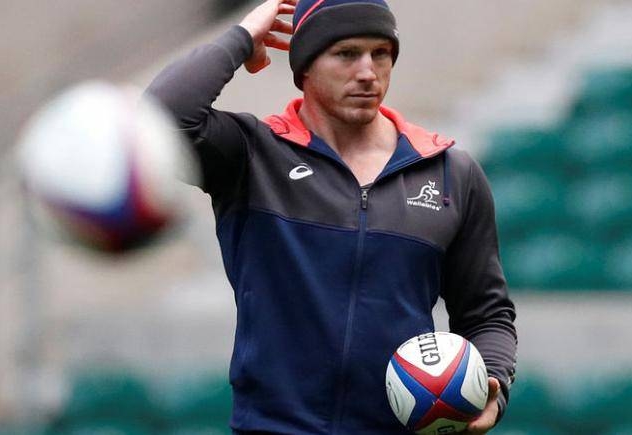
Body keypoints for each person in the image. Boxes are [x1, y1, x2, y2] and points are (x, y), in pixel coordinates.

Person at [146, 0, 517, 433]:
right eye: (346, 54)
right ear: (304, 66)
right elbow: (157, 119)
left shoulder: (450, 171)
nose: (367, 72)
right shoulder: (253, 155)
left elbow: (485, 314)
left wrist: (492, 379)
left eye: (381, 54)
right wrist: (243, 36)